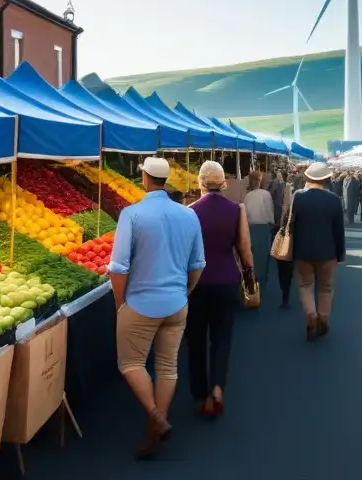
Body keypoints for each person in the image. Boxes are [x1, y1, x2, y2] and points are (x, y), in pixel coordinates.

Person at [108, 157, 205, 458]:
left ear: (145, 179)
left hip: (140, 303)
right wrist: (186, 290)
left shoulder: (131, 214)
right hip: (177, 304)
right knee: (167, 366)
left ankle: (156, 416)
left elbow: (118, 268)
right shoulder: (189, 215)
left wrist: (120, 303)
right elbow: (198, 264)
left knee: (131, 363)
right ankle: (155, 429)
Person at [187, 161, 254, 417]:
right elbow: (245, 250)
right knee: (222, 338)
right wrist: (250, 274)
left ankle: (200, 392)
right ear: (224, 184)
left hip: (197, 283)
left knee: (196, 340)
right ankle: (217, 387)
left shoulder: (190, 211)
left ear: (200, 182)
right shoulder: (236, 210)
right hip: (227, 280)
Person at [289, 162, 346, 340]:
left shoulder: (298, 197)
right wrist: (340, 253)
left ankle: (311, 314)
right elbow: (339, 230)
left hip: (302, 250)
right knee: (326, 287)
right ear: (326, 179)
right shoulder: (334, 200)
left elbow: (290, 224)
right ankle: (323, 317)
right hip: (328, 251)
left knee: (305, 285)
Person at [242, 170, 274, 287]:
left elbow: (245, 214)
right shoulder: (266, 194)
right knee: (263, 257)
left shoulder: (247, 196)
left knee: (252, 256)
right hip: (263, 228)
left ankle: (252, 281)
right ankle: (261, 282)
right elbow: (270, 213)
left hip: (250, 228)